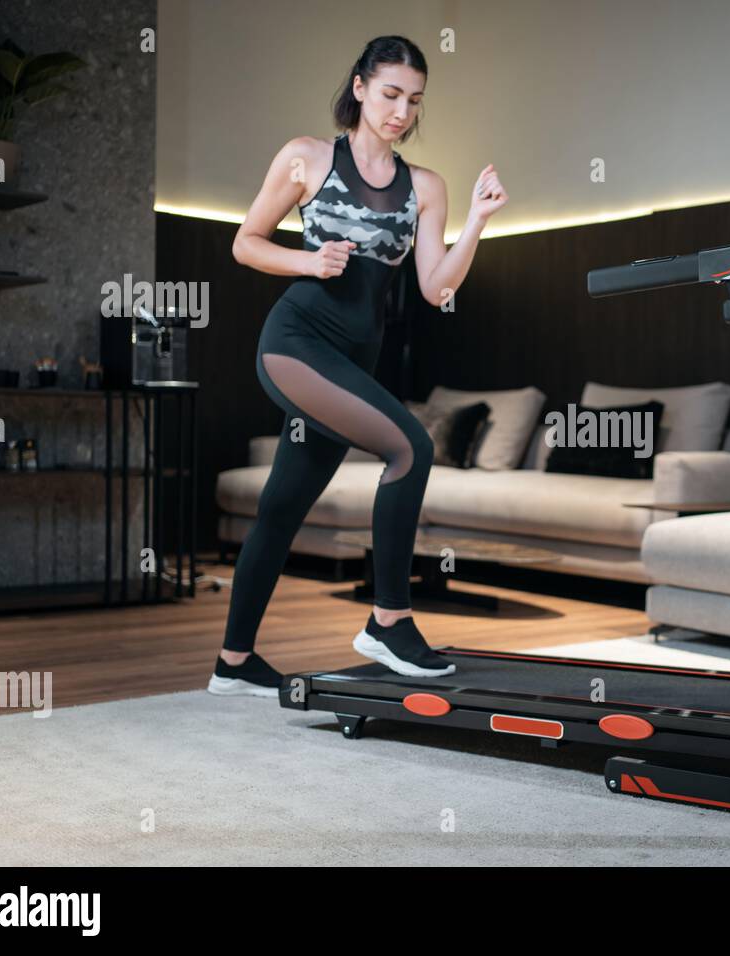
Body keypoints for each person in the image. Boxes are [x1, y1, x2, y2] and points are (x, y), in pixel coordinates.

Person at [208, 36, 507, 697]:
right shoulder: (308, 158)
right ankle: (388, 621)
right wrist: (308, 261)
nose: (402, 110)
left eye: (415, 100)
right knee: (412, 448)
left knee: (282, 508)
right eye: (392, 93)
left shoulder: (426, 187)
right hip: (295, 344)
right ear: (362, 87)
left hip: (352, 359)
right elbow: (245, 243)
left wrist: (477, 224)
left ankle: (232, 663)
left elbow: (436, 288)